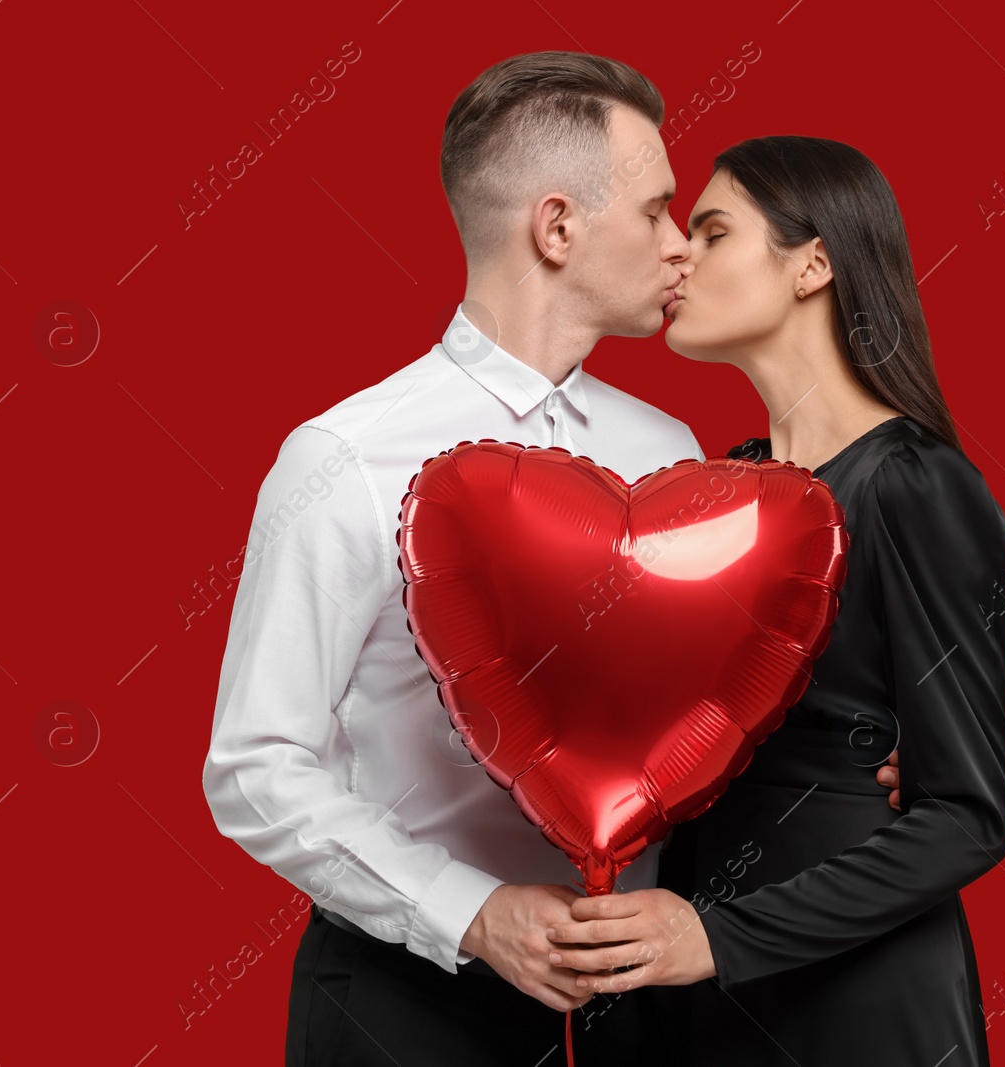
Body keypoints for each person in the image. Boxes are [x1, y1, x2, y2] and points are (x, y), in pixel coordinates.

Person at [201, 54, 901, 1065]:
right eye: (658, 210)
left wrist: (882, 749)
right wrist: (472, 912)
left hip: (642, 1007)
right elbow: (255, 766)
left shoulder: (668, 451)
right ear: (558, 226)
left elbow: (712, 695)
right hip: (410, 1008)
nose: (678, 249)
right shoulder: (344, 457)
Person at [546, 136, 1005, 1067]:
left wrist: (716, 937)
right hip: (678, 987)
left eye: (713, 231)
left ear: (814, 263)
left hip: (851, 1000)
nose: (679, 251)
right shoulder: (724, 487)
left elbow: (970, 813)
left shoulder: (914, 485)